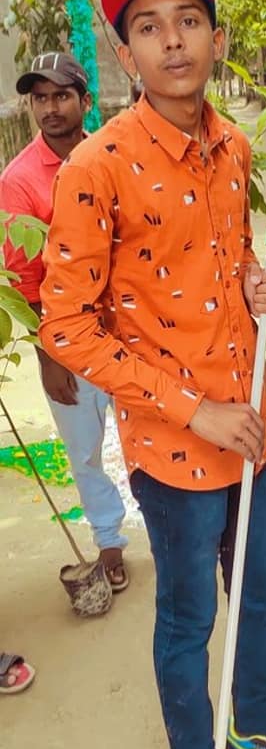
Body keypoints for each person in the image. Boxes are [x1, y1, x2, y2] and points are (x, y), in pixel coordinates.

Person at [39, 0, 266, 749]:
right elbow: (67, 323)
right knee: (187, 618)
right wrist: (189, 410)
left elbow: (225, 273)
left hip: (252, 428)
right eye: (149, 26)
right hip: (177, 449)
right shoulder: (97, 165)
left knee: (264, 588)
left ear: (215, 37)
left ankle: (251, 725)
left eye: (188, 20)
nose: (172, 38)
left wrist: (263, 287)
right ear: (128, 55)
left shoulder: (236, 146)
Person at [0, 53, 129, 591]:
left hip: (134, 331)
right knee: (84, 452)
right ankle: (108, 542)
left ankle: (176, 534)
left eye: (61, 96)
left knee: (152, 434)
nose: (50, 108)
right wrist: (47, 356)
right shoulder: (19, 180)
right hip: (68, 343)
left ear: (85, 101)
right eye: (39, 98)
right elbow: (24, 278)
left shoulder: (118, 154)